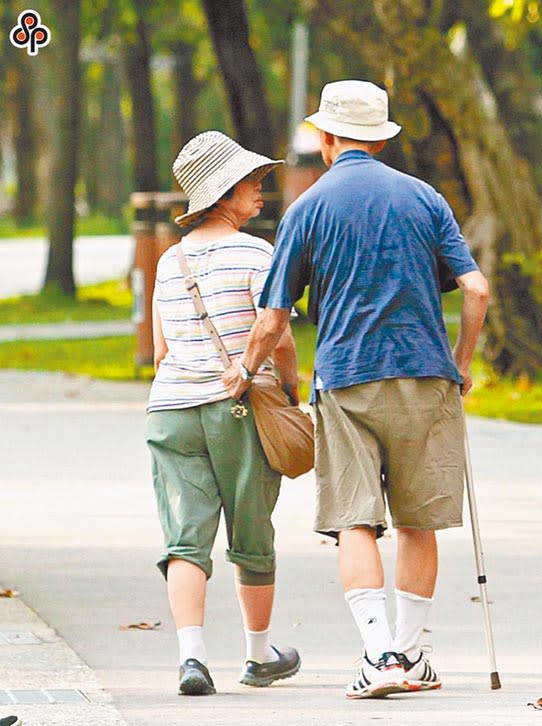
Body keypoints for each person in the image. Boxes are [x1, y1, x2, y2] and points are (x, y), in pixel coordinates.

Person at [224, 80, 489, 700]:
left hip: (346, 379)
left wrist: (245, 368)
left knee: (354, 521)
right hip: (427, 375)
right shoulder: (425, 198)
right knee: (419, 521)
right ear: (383, 136)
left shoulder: (309, 209)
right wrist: (462, 361)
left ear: (325, 138)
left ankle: (378, 656)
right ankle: (413, 653)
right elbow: (474, 290)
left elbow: (273, 316)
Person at [147, 131, 301, 696]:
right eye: (251, 184)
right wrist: (288, 387)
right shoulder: (259, 253)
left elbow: (161, 350)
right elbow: (277, 331)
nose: (261, 192)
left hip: (170, 409)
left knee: (185, 538)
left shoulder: (169, 260)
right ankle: (259, 656)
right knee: (251, 531)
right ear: (222, 193)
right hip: (235, 408)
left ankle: (192, 658)